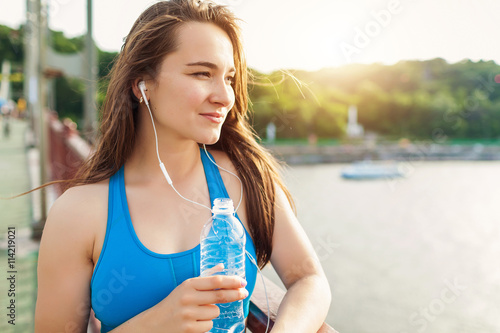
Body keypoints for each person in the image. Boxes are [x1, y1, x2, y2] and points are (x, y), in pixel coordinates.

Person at [34, 1, 331, 332]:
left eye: (229, 78)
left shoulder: (244, 177)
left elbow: (308, 278)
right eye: (202, 73)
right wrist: (156, 323)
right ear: (141, 85)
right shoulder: (78, 213)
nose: (224, 96)